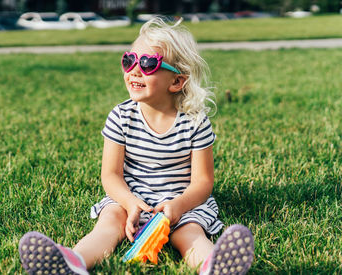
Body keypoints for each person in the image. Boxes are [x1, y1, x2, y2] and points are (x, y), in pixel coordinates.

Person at [18, 17, 254, 275]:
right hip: (130, 197)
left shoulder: (195, 122)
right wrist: (130, 203)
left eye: (149, 64)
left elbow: (203, 182)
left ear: (176, 82)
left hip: (179, 202)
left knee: (190, 234)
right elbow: (110, 175)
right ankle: (73, 262)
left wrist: (178, 205)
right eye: (129, 60)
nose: (134, 70)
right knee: (109, 224)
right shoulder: (121, 116)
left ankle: (214, 267)